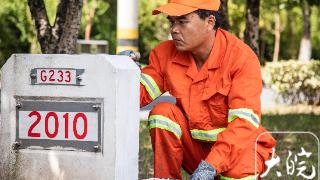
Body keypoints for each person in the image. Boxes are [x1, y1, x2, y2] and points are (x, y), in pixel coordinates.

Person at [139, 0, 276, 179]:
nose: (174, 29)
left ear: (209, 22)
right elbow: (133, 95)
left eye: (182, 21)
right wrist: (120, 73)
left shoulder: (241, 59)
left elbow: (243, 125)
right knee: (162, 113)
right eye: (171, 21)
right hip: (197, 151)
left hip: (238, 151)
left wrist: (211, 166)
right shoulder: (164, 54)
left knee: (240, 168)